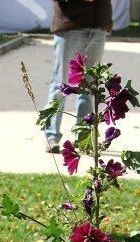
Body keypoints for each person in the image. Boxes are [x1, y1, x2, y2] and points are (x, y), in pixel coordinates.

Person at [42, 0, 112, 154]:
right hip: (70, 26)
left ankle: (83, 136)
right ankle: (51, 135)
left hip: (98, 26)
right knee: (61, 84)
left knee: (90, 85)